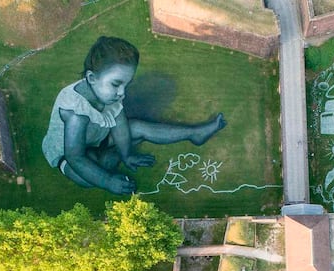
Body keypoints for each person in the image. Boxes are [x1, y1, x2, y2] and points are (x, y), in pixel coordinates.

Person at [42, 36, 227, 195]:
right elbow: (75, 157)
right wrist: (107, 182)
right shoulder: (75, 112)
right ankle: (108, 160)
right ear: (91, 78)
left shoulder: (106, 93)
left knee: (136, 127)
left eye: (126, 84)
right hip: (69, 155)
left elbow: (120, 125)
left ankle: (194, 133)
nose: (122, 92)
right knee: (89, 175)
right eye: (116, 84)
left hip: (97, 136)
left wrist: (126, 155)